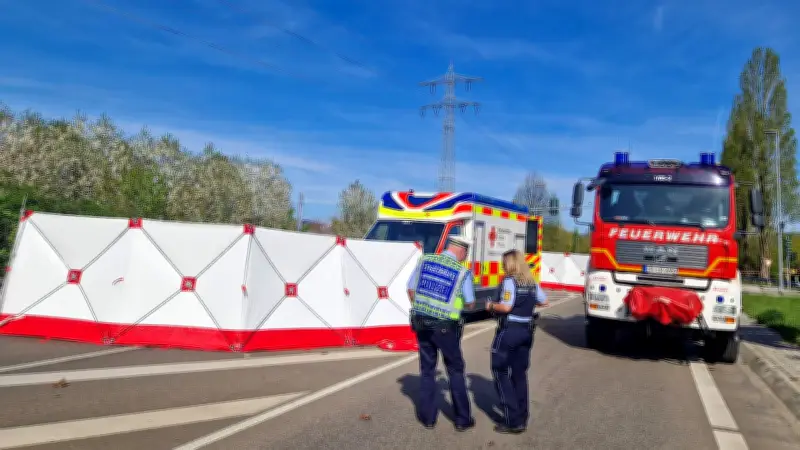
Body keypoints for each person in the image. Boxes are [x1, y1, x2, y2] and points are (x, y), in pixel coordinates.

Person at [407, 235, 476, 432]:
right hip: (446, 328)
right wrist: (461, 303)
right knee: (455, 370)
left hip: (421, 324)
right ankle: (462, 419)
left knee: (427, 370)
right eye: (465, 254)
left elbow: (410, 289)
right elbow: (470, 302)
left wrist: (423, 309)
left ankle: (428, 418)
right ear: (461, 251)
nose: (464, 257)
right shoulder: (462, 272)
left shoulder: (425, 260)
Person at [485, 249, 549, 434]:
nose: (503, 266)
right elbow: (544, 301)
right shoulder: (531, 283)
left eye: (504, 263)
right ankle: (522, 416)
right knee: (520, 375)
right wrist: (527, 305)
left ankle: (512, 420)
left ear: (510, 264)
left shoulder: (509, 282)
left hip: (509, 331)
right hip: (527, 332)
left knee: (500, 371)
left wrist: (490, 305)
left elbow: (505, 306)